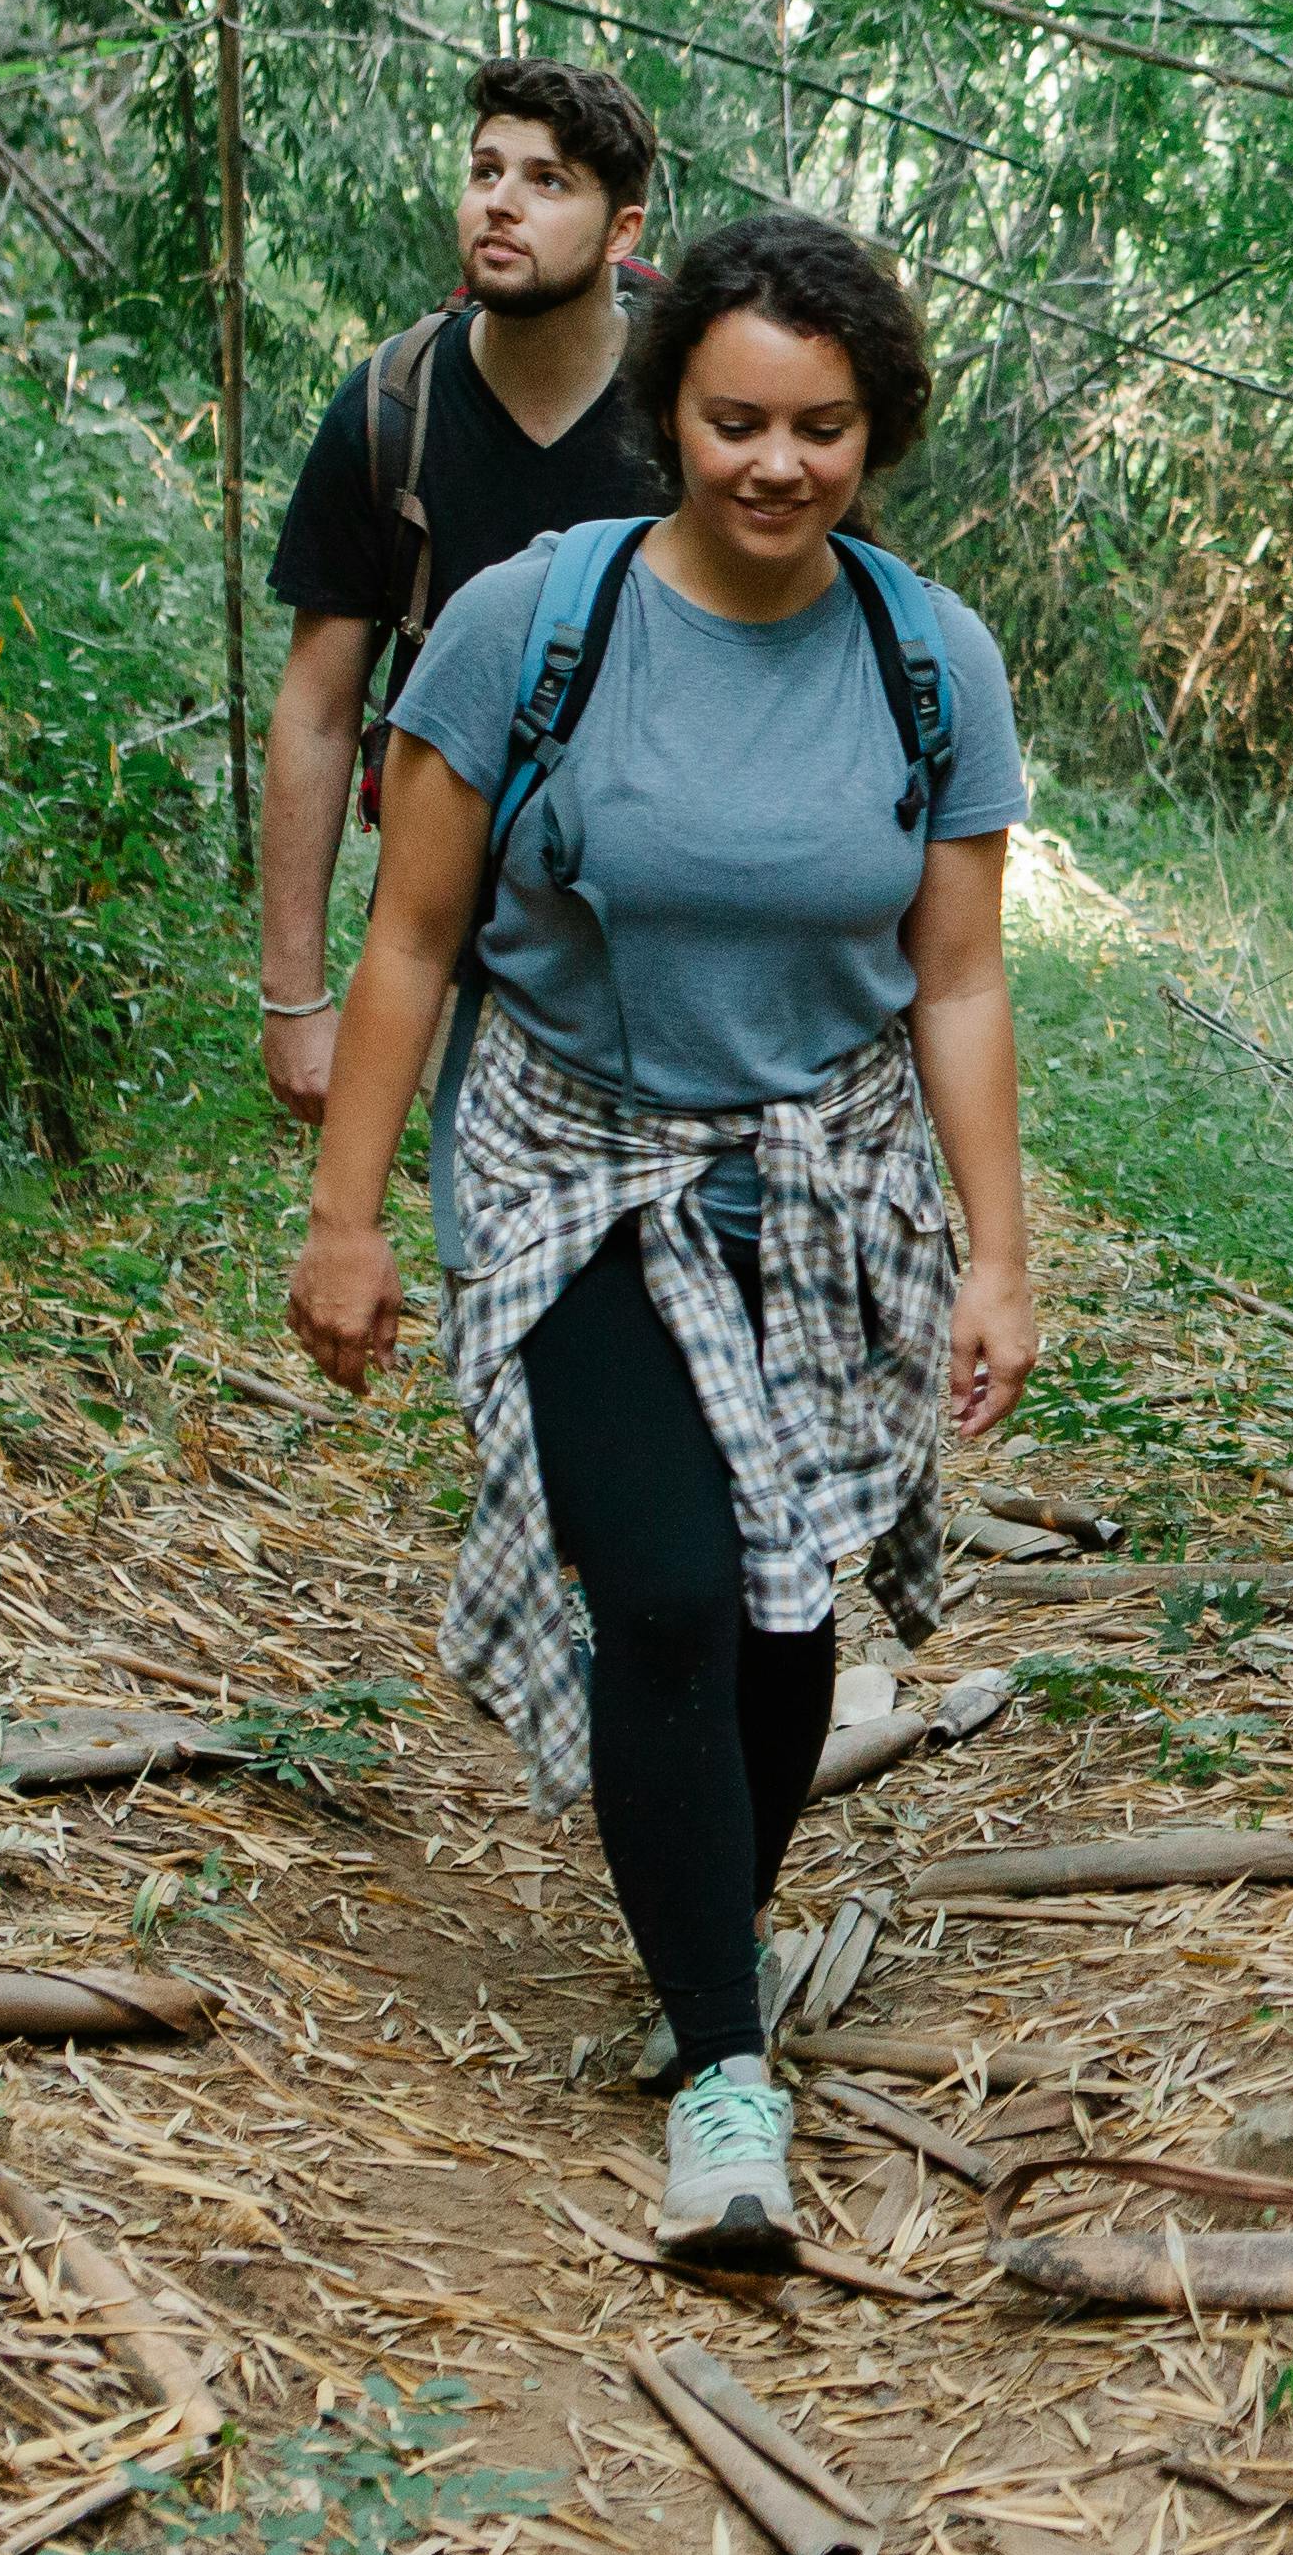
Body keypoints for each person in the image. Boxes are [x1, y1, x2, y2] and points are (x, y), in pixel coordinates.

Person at [286, 210, 1038, 2271]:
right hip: (569, 1164)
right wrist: (349, 1217)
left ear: (876, 432)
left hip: (826, 1174)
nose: (775, 466)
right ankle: (727, 2067)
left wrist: (998, 1251)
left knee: (792, 1632)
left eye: (821, 428)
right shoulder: (536, 625)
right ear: (667, 412)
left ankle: (695, 1913)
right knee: (680, 1592)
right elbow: (415, 937)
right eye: (733, 422)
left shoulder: (924, 656)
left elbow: (957, 979)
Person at [257, 57, 669, 1147]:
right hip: (451, 942)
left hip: (665, 946)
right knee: (487, 1273)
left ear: (620, 232)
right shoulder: (394, 407)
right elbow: (316, 711)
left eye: (548, 180)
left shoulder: (695, 421)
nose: (501, 200)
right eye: (487, 169)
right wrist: (293, 997)